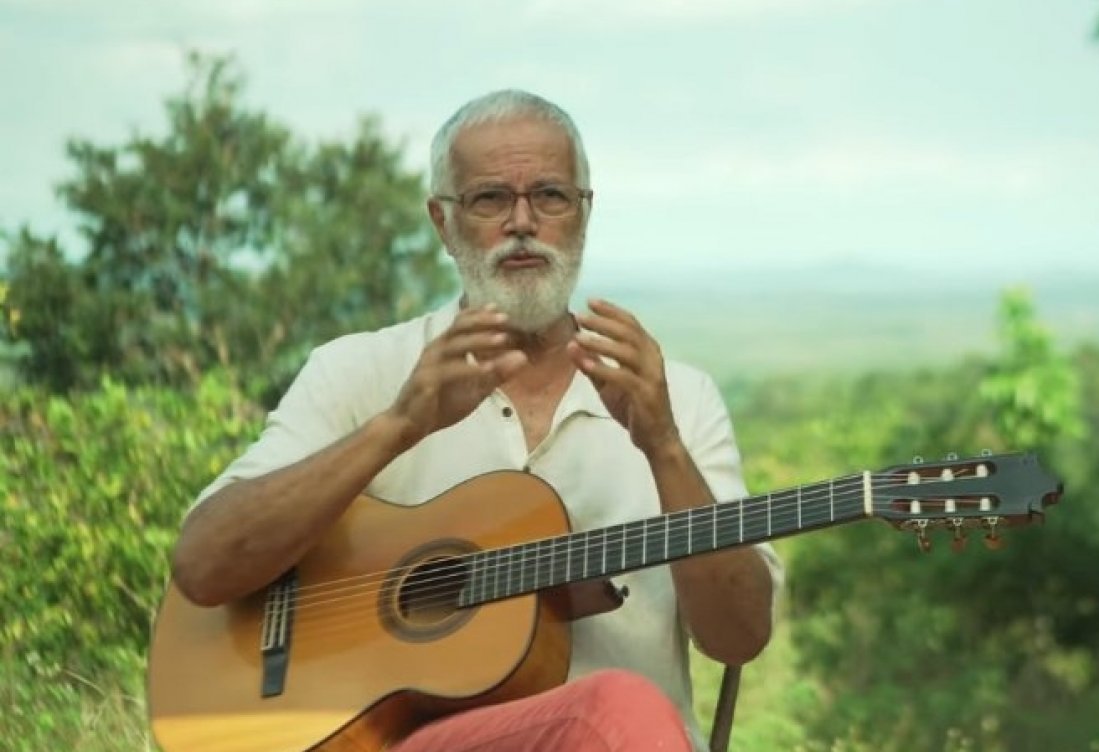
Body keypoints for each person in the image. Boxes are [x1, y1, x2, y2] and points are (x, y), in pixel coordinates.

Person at [169, 89, 782, 751]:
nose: (523, 222)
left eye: (550, 195)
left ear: (583, 213)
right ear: (442, 221)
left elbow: (739, 637)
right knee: (608, 707)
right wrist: (400, 424)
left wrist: (661, 443)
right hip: (397, 740)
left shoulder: (677, 398)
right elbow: (206, 565)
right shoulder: (358, 371)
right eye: (490, 198)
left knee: (615, 709)